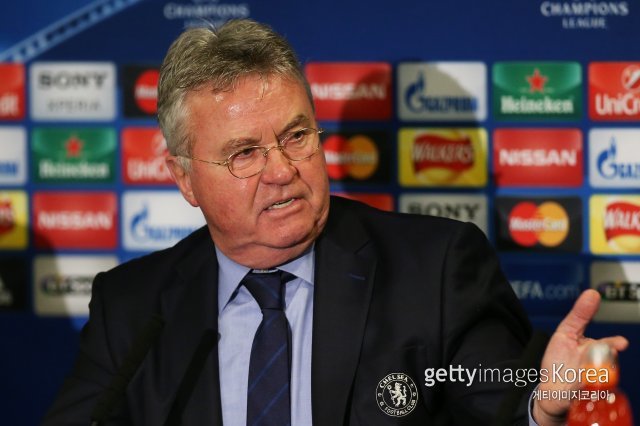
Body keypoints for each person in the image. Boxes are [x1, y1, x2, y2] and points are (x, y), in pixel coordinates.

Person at [43, 19, 628, 425]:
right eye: (244, 153)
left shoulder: (434, 270)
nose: (282, 171)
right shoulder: (133, 307)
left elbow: (498, 403)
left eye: (296, 136)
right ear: (184, 178)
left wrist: (540, 407)